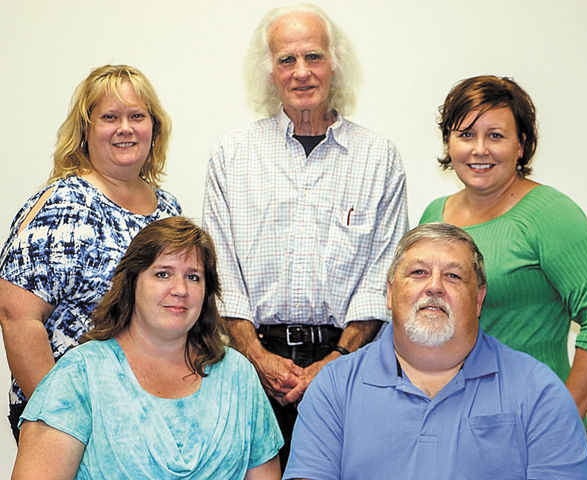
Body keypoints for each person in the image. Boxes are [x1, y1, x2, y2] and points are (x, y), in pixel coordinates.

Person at [202, 3, 408, 465]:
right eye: (286, 59)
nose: (301, 72)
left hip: (351, 362)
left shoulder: (379, 158)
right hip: (250, 363)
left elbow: (384, 275)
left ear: (335, 64)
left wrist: (335, 362)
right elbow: (219, 271)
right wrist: (258, 357)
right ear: (269, 72)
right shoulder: (231, 156)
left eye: (313, 56)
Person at [284, 223, 587, 479]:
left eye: (453, 276)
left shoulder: (539, 391)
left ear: (479, 299)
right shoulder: (335, 388)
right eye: (418, 272)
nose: (434, 286)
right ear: (389, 293)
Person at [11, 216, 283, 480]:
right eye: (163, 274)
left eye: (193, 277)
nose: (180, 289)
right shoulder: (80, 374)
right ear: (132, 282)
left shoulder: (238, 375)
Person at [0, 64, 182, 441]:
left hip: (147, 417)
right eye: (109, 117)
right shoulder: (64, 205)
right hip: (69, 421)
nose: (125, 128)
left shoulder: (168, 210)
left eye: (137, 116)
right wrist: (62, 418)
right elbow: (16, 315)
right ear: (85, 130)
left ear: (155, 128)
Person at [419, 75, 587, 419]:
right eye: (466, 134)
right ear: (448, 143)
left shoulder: (550, 214)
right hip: (449, 422)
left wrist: (561, 419)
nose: (479, 149)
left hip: (529, 425)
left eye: (496, 136)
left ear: (521, 145)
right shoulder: (434, 216)